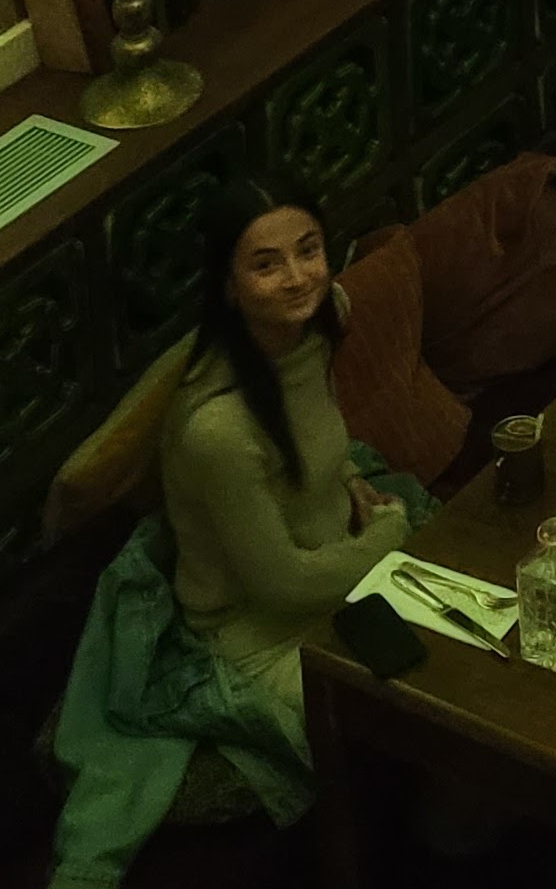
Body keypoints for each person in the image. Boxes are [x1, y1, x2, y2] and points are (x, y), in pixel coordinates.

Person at [160, 182, 407, 721]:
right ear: (229, 286)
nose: (297, 278)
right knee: (411, 717)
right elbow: (286, 587)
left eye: (308, 250)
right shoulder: (218, 429)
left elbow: (315, 424)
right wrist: (390, 535)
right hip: (261, 635)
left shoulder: (322, 320)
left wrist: (346, 476)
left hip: (344, 569)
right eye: (267, 265)